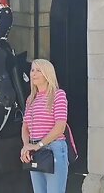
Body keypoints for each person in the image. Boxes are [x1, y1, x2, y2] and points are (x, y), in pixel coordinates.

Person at [20, 59, 69, 193]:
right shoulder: (31, 99)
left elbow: (60, 127)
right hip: (35, 151)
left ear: (47, 73)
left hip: (54, 149)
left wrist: (38, 145)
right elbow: (25, 126)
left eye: (38, 70)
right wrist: (26, 146)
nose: (33, 73)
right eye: (32, 70)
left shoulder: (58, 95)